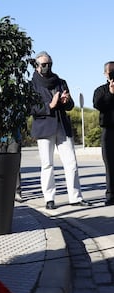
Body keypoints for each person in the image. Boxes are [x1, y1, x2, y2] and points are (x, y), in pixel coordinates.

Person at [30, 51, 91, 210]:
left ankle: (75, 197)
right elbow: (31, 108)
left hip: (62, 126)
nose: (47, 67)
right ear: (37, 66)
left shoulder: (60, 82)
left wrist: (66, 101)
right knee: (47, 164)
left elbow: (70, 106)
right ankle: (49, 198)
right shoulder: (32, 85)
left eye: (49, 64)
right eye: (44, 64)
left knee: (71, 162)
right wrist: (50, 105)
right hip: (44, 128)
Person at [93, 61, 114, 206]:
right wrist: (111, 94)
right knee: (110, 164)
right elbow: (98, 104)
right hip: (108, 131)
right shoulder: (100, 90)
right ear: (105, 74)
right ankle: (111, 194)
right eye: (110, 72)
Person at [0, 130, 23, 202]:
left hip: (14, 136)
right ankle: (2, 191)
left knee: (14, 164)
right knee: (0, 164)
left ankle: (17, 191)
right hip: (0, 135)